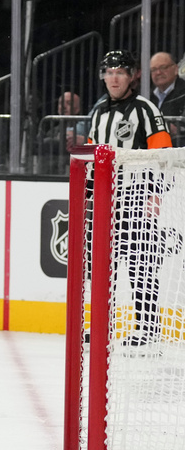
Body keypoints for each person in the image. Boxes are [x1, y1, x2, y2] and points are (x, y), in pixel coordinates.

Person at [88, 49, 172, 347]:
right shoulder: (98, 111)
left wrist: (154, 194)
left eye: (120, 72)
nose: (114, 78)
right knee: (102, 266)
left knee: (140, 265)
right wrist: (88, 196)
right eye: (109, 72)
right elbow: (91, 158)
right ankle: (102, 325)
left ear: (132, 76)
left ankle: (147, 328)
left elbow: (164, 156)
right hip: (105, 200)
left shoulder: (146, 110)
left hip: (137, 198)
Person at [37, 91, 86, 175]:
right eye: (61, 103)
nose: (63, 106)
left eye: (68, 103)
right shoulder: (52, 129)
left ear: (77, 109)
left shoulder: (83, 128)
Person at [150, 51, 185, 146]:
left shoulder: (183, 94)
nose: (158, 72)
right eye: (153, 69)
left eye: (163, 67)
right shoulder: (146, 96)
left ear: (176, 69)